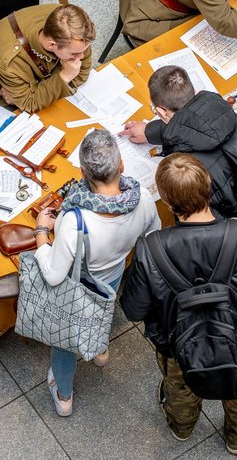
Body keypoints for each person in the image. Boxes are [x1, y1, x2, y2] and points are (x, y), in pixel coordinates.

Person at [119, 154, 237, 453]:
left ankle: (181, 427)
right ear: (208, 185)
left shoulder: (150, 250)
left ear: (165, 198)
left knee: (180, 390)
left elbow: (134, 309)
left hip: (178, 346)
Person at [31, 128, 160, 417]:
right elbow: (153, 238)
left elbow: (53, 274)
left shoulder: (73, 220)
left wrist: (42, 233)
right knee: (104, 310)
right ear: (121, 166)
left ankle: (64, 396)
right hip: (113, 274)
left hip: (78, 285)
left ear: (83, 172)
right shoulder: (144, 200)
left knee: (64, 343)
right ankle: (100, 351)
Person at [120, 65, 237, 218]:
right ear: (194, 93)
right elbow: (194, 127)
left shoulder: (186, 165)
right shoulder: (223, 112)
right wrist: (149, 131)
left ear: (161, 111)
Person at [0, 4, 95, 116]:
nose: (82, 57)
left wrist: (43, 90)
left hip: (25, 86)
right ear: (51, 45)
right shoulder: (9, 62)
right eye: (75, 53)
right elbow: (29, 104)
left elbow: (82, 74)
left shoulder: (69, 26)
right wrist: (65, 77)